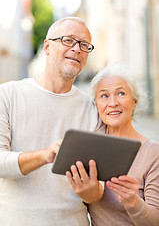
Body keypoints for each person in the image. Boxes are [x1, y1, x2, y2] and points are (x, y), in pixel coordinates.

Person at [0, 17, 103, 226]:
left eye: (84, 45)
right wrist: (45, 155)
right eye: (68, 40)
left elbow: (96, 192)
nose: (77, 48)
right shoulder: (8, 95)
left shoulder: (93, 109)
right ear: (47, 47)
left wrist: (92, 191)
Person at [66, 63, 159, 226]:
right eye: (104, 96)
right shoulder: (88, 149)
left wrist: (133, 202)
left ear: (134, 102)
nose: (113, 103)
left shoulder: (153, 153)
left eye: (121, 93)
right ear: (96, 105)